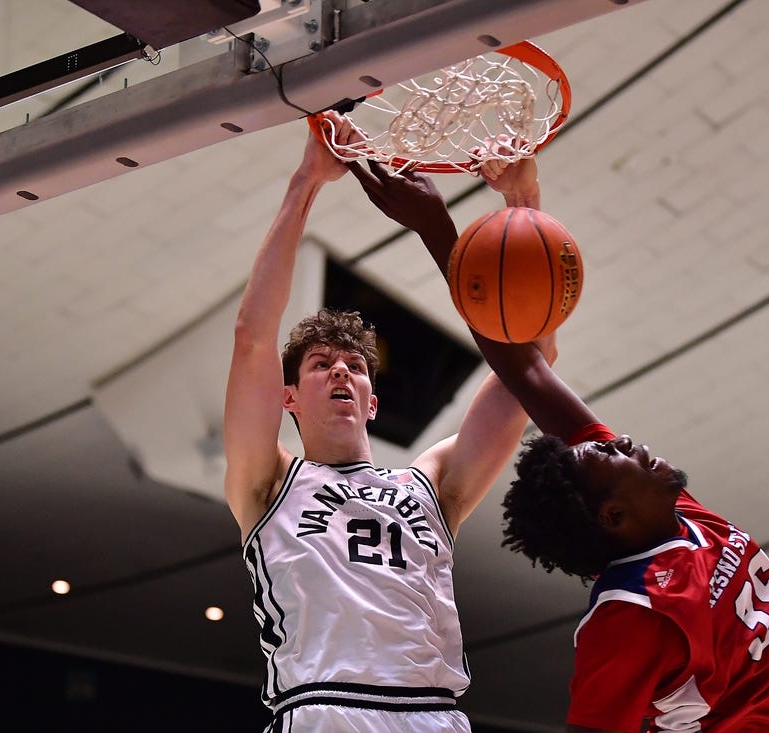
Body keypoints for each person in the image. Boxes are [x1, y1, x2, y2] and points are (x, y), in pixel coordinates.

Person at [352, 152, 769, 732]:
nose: (621, 439)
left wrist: (449, 225)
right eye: (610, 455)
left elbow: (527, 373)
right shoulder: (628, 614)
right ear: (613, 514)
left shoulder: (675, 520)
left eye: (609, 446)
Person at [222, 112, 552, 732]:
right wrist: (309, 181)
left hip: (433, 716)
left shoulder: (430, 485)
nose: (342, 373)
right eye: (321, 365)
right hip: (323, 711)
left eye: (354, 367)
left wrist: (522, 205)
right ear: (287, 398)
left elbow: (532, 373)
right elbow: (251, 337)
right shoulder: (267, 484)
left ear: (373, 401)